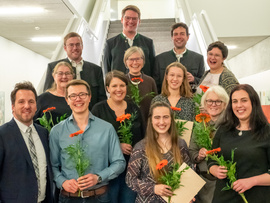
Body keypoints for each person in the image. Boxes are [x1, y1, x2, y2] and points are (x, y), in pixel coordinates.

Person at [49, 79, 126, 203]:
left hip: (100, 197)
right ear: (67, 100)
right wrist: (62, 181)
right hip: (68, 198)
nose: (78, 99)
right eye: (73, 96)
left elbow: (119, 162)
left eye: (82, 94)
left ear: (89, 97)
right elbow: (52, 165)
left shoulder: (106, 129)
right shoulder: (57, 131)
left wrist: (98, 177)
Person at [208, 84, 270, 203]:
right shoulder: (223, 130)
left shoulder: (267, 133)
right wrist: (215, 170)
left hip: (255, 198)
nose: (239, 105)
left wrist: (251, 181)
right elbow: (211, 160)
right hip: (223, 198)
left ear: (254, 102)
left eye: (244, 100)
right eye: (235, 101)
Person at [92, 70, 144, 203]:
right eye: (114, 86)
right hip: (108, 171)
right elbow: (92, 141)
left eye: (122, 85)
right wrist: (116, 147)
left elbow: (144, 136)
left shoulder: (134, 108)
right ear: (107, 88)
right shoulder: (98, 110)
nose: (119, 89)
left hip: (132, 170)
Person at [126, 101, 191, 202]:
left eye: (165, 117)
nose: (161, 122)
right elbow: (130, 180)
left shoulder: (181, 145)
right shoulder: (141, 147)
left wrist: (189, 195)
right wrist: (153, 188)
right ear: (151, 120)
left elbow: (189, 173)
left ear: (171, 119)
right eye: (157, 117)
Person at [0, 81, 54, 203]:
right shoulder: (2, 135)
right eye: (21, 102)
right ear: (13, 106)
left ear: (36, 106)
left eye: (31, 102)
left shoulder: (43, 133)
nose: (27, 106)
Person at [43, 32, 107, 109]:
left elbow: (102, 99)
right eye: (71, 45)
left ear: (82, 46)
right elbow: (47, 95)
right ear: (65, 48)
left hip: (90, 115)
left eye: (78, 44)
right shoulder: (53, 67)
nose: (75, 48)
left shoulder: (96, 70)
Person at [189, 85, 229, 203]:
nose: (213, 104)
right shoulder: (199, 125)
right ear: (205, 104)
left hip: (223, 183)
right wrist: (199, 155)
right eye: (210, 101)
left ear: (225, 104)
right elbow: (191, 151)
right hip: (203, 184)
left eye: (218, 101)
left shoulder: (230, 125)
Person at [103, 5, 155, 76]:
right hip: (119, 85)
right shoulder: (110, 43)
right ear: (122, 20)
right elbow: (107, 71)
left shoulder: (148, 43)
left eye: (134, 18)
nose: (131, 21)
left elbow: (152, 68)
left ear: (139, 21)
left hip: (142, 85)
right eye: (127, 18)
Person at [153, 22, 205, 93]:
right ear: (172, 37)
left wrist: (194, 79)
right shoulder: (160, 59)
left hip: (190, 100)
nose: (178, 37)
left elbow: (204, 83)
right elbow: (155, 84)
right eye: (175, 34)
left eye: (182, 34)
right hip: (165, 100)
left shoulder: (198, 58)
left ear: (188, 37)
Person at [124, 46, 158, 126]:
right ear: (126, 62)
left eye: (138, 59)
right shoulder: (121, 81)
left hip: (148, 125)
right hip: (127, 127)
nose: (135, 63)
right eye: (131, 59)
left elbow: (155, 104)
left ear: (143, 61)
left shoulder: (150, 81)